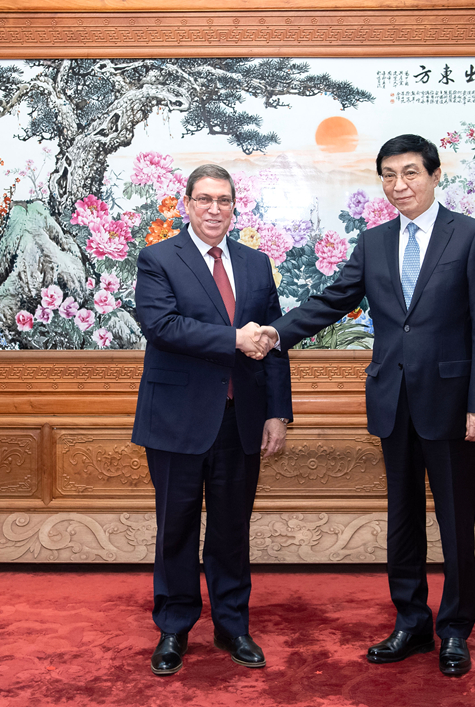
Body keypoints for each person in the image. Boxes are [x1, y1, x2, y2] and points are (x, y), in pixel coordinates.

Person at [255, 134, 475, 676]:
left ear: (434, 175)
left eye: (410, 172)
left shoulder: (470, 236)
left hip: (452, 402)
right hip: (392, 401)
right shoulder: (374, 241)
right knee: (403, 517)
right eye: (389, 175)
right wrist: (276, 333)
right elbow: (334, 300)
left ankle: (455, 629)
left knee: (456, 520)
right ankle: (411, 622)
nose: (399, 185)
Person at [132, 164, 292, 676]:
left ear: (235, 206)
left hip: (240, 419)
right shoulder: (158, 258)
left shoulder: (256, 264)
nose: (214, 209)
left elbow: (274, 345)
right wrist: (233, 339)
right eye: (204, 199)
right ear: (187, 204)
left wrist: (277, 412)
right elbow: (162, 325)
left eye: (224, 200)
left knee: (231, 530)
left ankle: (232, 626)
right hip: (175, 420)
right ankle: (174, 628)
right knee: (175, 529)